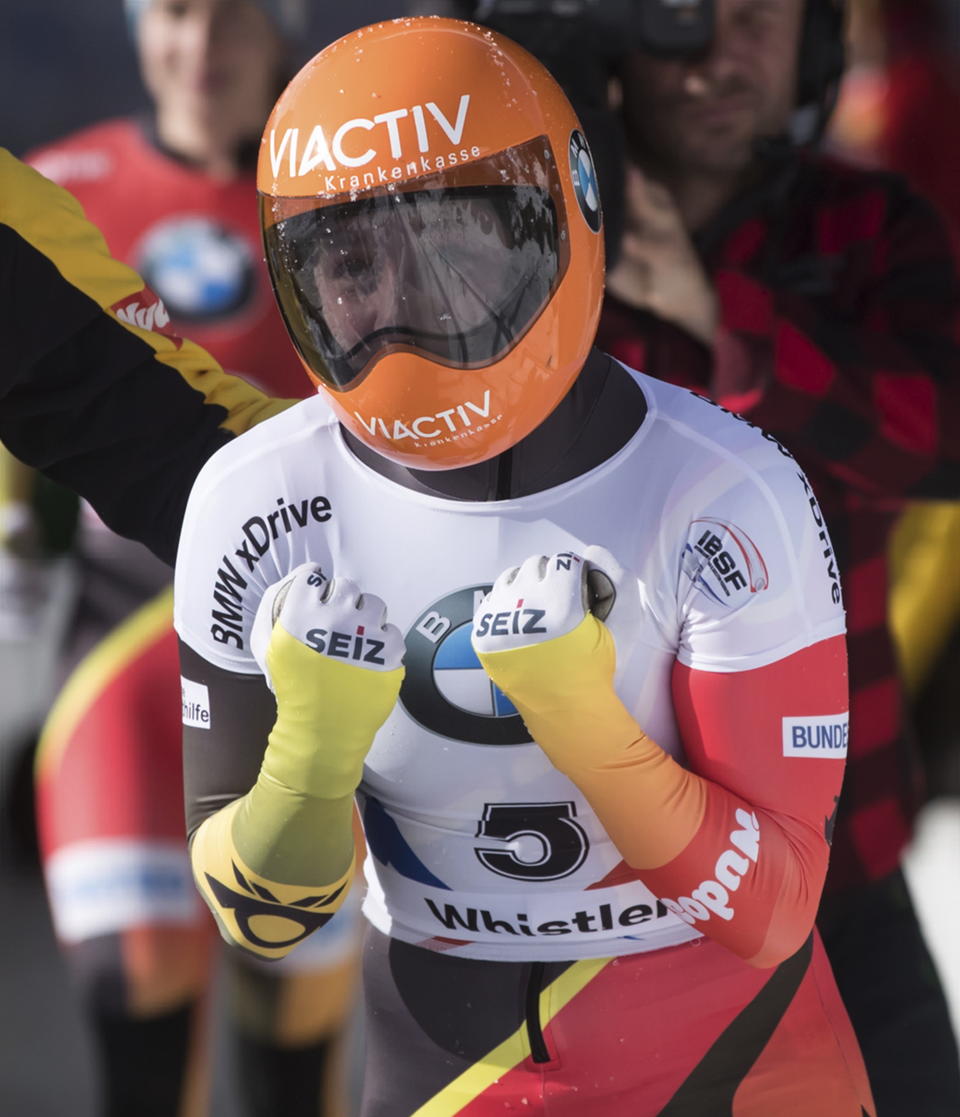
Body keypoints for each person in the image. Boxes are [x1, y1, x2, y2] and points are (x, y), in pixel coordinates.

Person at [173, 17, 875, 1115]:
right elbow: (264, 918)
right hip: (448, 1068)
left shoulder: (731, 492)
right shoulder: (251, 501)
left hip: (741, 1060)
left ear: (570, 212)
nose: (410, 305)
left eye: (460, 244)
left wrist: (588, 729)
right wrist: (307, 761)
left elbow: (774, 911)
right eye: (351, 260)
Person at [579, 0, 960, 1110]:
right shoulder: (532, 243)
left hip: (842, 859)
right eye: (684, 16)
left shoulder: (874, 224)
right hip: (601, 894)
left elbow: (938, 434)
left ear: (818, 45)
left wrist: (716, 313)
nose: (718, 53)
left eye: (760, 19)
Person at [11, 2, 364, 1115]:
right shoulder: (63, 179)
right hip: (119, 654)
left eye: (231, 17)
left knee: (292, 1037)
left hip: (310, 658)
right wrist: (15, 544)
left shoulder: (355, 194)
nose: (201, 50)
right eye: (174, 13)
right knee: (137, 995)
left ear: (283, 29)